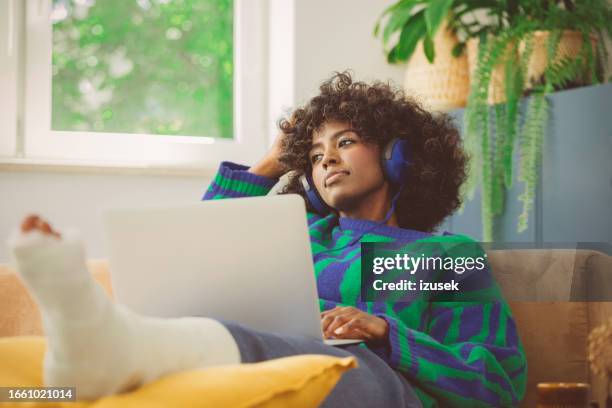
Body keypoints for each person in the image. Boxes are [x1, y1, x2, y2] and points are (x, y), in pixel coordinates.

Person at [8, 72, 526, 407]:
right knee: (38, 382)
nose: (326, 158)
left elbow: (496, 384)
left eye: (345, 142)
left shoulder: (435, 257)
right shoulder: (295, 230)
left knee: (316, 356)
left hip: (377, 382)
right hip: (255, 358)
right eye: (316, 151)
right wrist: (270, 161)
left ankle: (107, 343)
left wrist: (387, 333)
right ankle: (77, 374)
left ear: (399, 156)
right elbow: (198, 252)